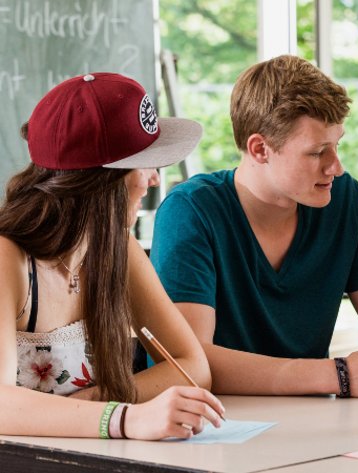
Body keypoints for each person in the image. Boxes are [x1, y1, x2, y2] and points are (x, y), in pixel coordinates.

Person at [151, 55, 358, 398]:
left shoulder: (343, 197)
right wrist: (340, 375)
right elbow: (188, 363)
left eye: (337, 145)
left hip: (311, 419)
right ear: (260, 149)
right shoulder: (191, 211)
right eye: (318, 151)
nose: (335, 167)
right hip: (214, 425)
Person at [0, 73, 225, 440]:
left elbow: (192, 365)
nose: (153, 180)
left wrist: (96, 404)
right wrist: (124, 418)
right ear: (101, 182)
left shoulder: (117, 247)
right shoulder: (7, 257)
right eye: (146, 164)